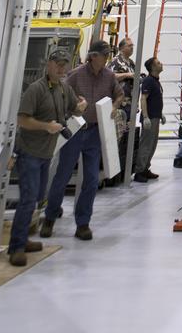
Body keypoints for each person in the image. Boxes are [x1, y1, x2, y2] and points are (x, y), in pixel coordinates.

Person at [8, 48, 87, 267]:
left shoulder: (64, 89)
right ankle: (16, 247)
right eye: (58, 64)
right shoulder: (37, 89)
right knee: (28, 200)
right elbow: (22, 120)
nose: (61, 68)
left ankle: (23, 239)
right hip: (29, 153)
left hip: (45, 154)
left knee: (36, 199)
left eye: (64, 65)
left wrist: (81, 107)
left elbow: (75, 110)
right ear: (49, 64)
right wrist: (46, 126)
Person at [41, 40, 125, 241]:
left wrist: (114, 107)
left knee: (92, 179)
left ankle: (83, 223)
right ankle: (50, 218)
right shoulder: (76, 75)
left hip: (95, 132)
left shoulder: (109, 76)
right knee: (62, 175)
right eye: (104, 55)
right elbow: (59, 95)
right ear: (93, 56)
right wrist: (72, 107)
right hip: (75, 130)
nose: (107, 58)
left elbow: (119, 94)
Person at [110, 36, 136, 183]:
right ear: (121, 47)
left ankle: (124, 171)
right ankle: (114, 174)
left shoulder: (131, 63)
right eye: (129, 45)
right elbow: (110, 76)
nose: (132, 48)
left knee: (127, 139)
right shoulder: (116, 61)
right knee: (117, 138)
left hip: (130, 106)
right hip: (120, 106)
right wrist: (127, 75)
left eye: (132, 46)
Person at [134, 58, 164, 183]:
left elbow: (155, 100)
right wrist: (145, 117)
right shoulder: (148, 81)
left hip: (155, 117)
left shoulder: (156, 81)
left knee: (152, 145)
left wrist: (161, 114)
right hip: (150, 118)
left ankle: (145, 168)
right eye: (158, 63)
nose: (161, 64)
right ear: (152, 67)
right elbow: (143, 99)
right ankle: (139, 171)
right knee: (146, 145)